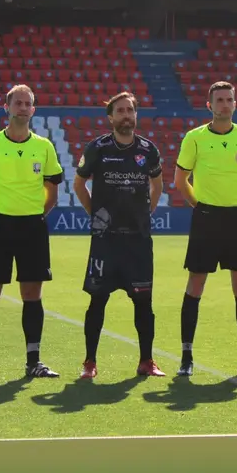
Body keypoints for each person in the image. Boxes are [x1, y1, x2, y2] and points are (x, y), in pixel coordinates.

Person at [0, 84, 64, 381]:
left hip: (32, 228)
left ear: (34, 109)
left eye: (27, 103)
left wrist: (32, 216)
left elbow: (51, 192)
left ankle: (34, 362)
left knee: (32, 293)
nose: (22, 107)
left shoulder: (43, 146)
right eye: (17, 102)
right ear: (6, 107)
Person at [174, 81, 237, 376]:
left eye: (229, 99)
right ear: (209, 105)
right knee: (195, 285)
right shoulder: (195, 138)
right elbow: (180, 179)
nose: (225, 104)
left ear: (235, 104)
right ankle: (186, 356)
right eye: (219, 100)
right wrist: (200, 207)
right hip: (206, 219)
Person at [74, 91, 166, 379]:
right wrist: (96, 216)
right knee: (98, 300)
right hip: (106, 241)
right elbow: (79, 185)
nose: (127, 115)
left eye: (131, 110)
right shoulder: (97, 148)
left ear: (136, 115)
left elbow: (158, 186)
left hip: (137, 242)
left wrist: (145, 215)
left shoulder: (148, 150)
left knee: (143, 303)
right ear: (111, 117)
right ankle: (89, 362)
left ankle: (146, 361)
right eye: (121, 111)